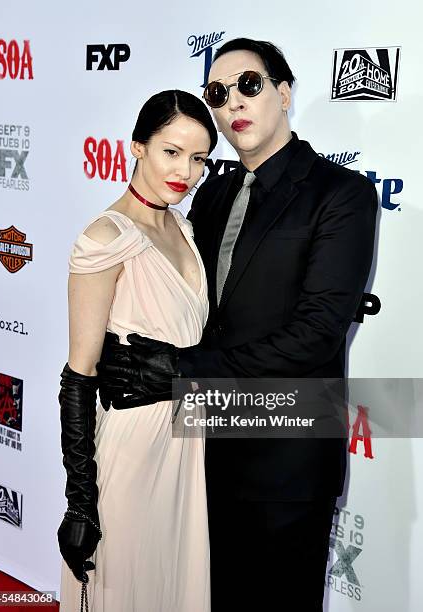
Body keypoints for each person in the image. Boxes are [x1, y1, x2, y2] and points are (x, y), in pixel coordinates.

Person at [97, 39, 378, 611]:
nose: (232, 105)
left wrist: (180, 371)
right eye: (217, 94)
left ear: (283, 93)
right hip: (202, 455)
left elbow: (316, 333)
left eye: (249, 85)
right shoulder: (212, 192)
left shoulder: (341, 193)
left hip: (287, 463)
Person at [57, 89, 218, 612]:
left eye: (198, 159)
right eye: (172, 152)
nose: (186, 172)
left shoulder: (186, 229)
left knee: (175, 584)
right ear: (137, 148)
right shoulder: (105, 237)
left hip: (188, 444)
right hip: (133, 445)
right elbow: (78, 375)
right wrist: (80, 502)